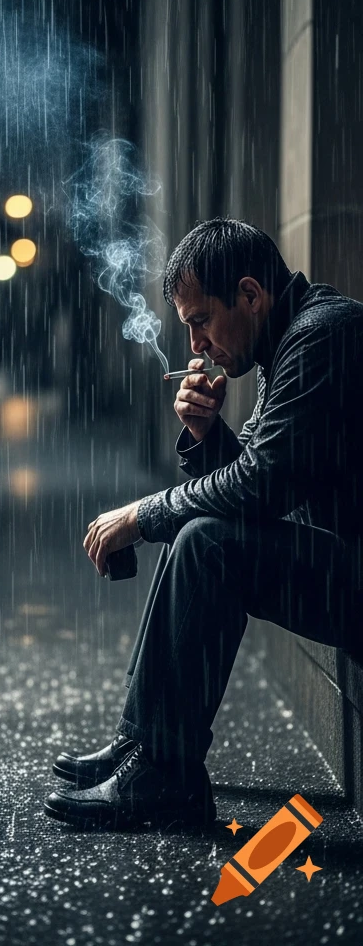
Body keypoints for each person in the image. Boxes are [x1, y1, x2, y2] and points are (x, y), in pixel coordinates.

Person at [43, 218, 363, 830]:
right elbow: (256, 484)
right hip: (342, 560)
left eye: (201, 320)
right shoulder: (289, 339)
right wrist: (206, 435)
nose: (195, 344)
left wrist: (142, 515)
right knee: (200, 531)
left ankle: (165, 772)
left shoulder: (323, 336)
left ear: (249, 294)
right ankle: (146, 746)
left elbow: (257, 489)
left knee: (205, 541)